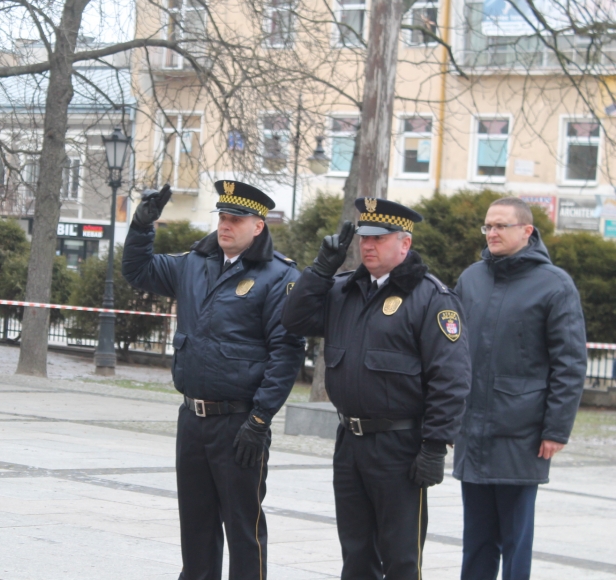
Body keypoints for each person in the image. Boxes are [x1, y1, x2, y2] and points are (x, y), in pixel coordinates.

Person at [122, 180, 305, 580]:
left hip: (240, 422)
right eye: (222, 216)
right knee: (196, 526)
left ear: (258, 226)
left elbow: (286, 353)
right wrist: (141, 226)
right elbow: (138, 270)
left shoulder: (279, 276)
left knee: (243, 527)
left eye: (236, 219)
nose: (225, 225)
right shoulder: (194, 262)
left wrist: (260, 419)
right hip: (193, 417)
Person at [282, 197, 472, 580]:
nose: (367, 245)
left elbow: (450, 378)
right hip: (350, 441)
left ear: (405, 243)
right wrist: (320, 270)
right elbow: (294, 319)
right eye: (364, 238)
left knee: (400, 557)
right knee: (356, 554)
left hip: (399, 446)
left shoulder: (431, 298)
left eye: (379, 238)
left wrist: (435, 445)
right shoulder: (342, 289)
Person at [453, 197, 587, 580]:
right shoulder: (471, 279)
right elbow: (453, 352)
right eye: (488, 226)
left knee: (516, 539)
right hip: (472, 431)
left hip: (522, 433)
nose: (492, 233)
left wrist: (556, 429)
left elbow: (570, 363)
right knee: (476, 539)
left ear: (527, 231)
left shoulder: (554, 284)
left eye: (501, 226)